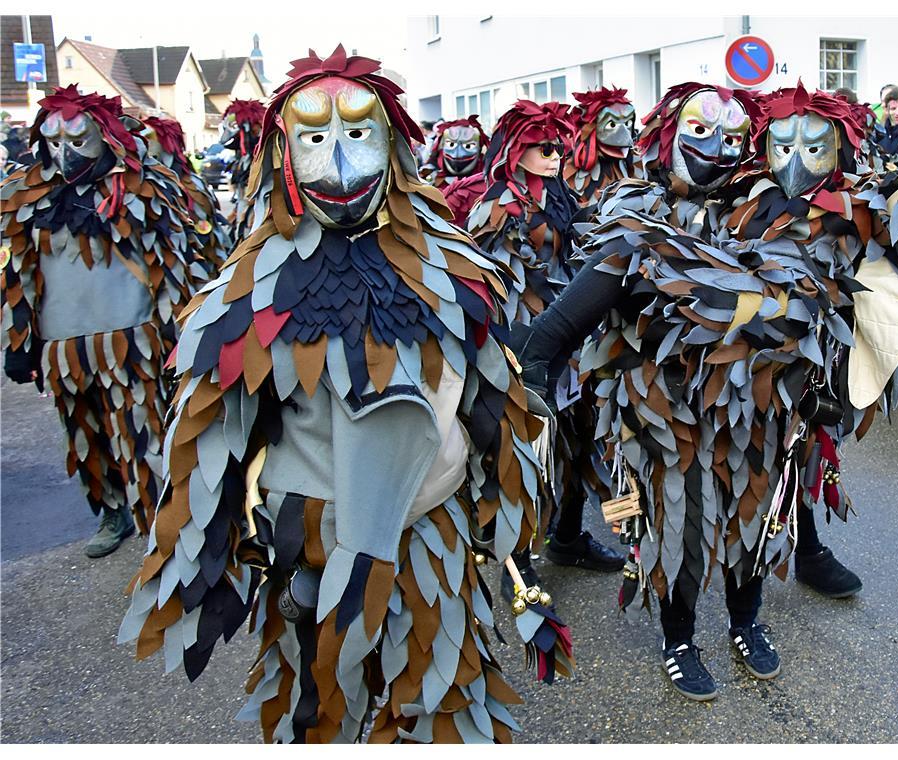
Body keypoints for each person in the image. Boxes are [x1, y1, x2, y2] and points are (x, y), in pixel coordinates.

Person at [515, 84, 898, 701]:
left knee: (753, 519)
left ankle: (746, 625)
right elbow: (585, 301)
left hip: (760, 406)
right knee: (682, 527)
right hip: (668, 410)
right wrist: (535, 369)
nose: (716, 148)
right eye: (700, 134)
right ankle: (679, 638)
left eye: (732, 138)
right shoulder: (641, 216)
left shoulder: (773, 204)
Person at [119, 46, 573, 744]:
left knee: (438, 698)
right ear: (284, 154)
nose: (337, 160)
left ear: (390, 146)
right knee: (321, 705)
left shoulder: (446, 265)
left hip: (429, 529)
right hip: (315, 543)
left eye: (358, 134)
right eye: (315, 138)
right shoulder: (251, 287)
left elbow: (493, 401)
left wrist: (507, 519)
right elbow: (212, 432)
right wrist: (203, 559)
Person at [1, 85, 203, 558]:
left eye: (76, 141)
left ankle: (161, 521)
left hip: (132, 339)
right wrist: (20, 343)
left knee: (142, 432)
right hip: (62, 346)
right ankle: (113, 514)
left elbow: (171, 268)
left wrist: (180, 333)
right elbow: (18, 274)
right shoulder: (24, 195)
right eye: (55, 144)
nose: (65, 154)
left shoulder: (144, 187)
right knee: (86, 436)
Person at [465, 100, 624, 599]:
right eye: (543, 148)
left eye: (559, 146)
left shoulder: (559, 196)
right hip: (522, 348)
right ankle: (516, 559)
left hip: (571, 343)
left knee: (578, 443)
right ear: (517, 151)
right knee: (525, 451)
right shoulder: (499, 206)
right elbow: (488, 285)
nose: (556, 155)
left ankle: (570, 538)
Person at [141, 116, 232, 273]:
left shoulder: (191, 184)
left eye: (150, 139)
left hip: (194, 259)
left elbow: (204, 225)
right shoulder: (142, 183)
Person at [563, 86, 646, 205]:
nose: (626, 136)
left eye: (628, 123)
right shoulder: (569, 170)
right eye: (612, 124)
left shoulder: (636, 164)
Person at [218, 99, 266, 241]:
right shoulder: (242, 151)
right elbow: (224, 139)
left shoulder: (264, 146)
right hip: (244, 171)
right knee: (243, 202)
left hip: (257, 172)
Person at [419, 114, 488, 188]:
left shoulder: (486, 178)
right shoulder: (432, 175)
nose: (458, 154)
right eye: (451, 144)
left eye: (468, 146)